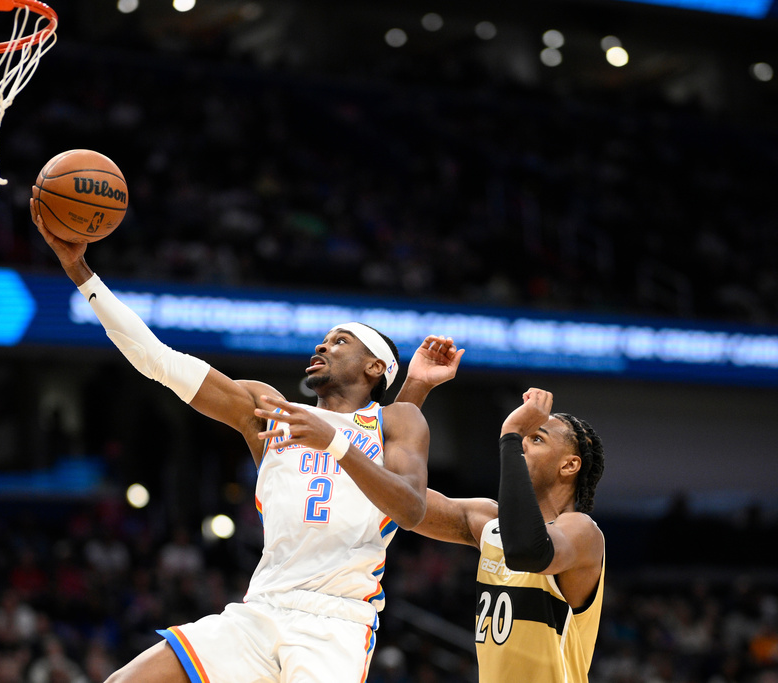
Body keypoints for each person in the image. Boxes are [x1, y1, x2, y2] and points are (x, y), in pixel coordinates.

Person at [31, 198, 456, 682]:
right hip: (262, 608)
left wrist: (338, 441)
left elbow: (410, 508)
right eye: (324, 338)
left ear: (374, 368)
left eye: (340, 341)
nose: (321, 345)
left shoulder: (396, 422)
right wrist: (81, 271)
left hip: (335, 623)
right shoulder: (272, 413)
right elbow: (158, 360)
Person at [396, 346, 605, 683]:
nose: (522, 442)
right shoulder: (487, 522)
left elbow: (528, 551)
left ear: (569, 465)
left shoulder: (582, 532)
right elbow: (396, 496)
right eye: (523, 436)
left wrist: (509, 433)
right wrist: (417, 386)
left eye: (535, 438)